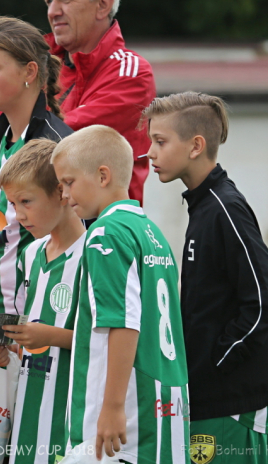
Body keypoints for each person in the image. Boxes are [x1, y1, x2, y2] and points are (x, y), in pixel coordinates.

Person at [0, 0, 156, 288]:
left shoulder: (130, 72)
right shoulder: (37, 62)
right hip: (4, 254)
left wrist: (27, 117)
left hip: (89, 258)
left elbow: (51, 148)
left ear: (103, 4)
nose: (52, 10)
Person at [145, 92, 268, 463]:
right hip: (209, 399)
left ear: (196, 146)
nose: (149, 153)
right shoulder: (202, 206)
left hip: (234, 404)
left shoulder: (225, 208)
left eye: (160, 141)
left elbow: (264, 304)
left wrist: (216, 364)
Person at [52, 126, 189, 463]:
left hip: (121, 420)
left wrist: (112, 408)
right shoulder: (149, 230)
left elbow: (124, 323)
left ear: (102, 176)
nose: (65, 195)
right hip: (165, 410)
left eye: (69, 182)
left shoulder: (105, 234)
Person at [0, 16, 73, 318]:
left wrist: (28, 328)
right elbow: (0, 233)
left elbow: (73, 241)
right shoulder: (1, 137)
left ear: (29, 71)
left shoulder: (56, 147)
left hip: (35, 322)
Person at [0, 139, 86, 464]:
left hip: (70, 421)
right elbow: (37, 336)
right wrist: (12, 348)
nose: (18, 215)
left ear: (62, 193)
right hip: (28, 416)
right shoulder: (31, 253)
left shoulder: (93, 254)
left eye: (26, 201)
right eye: (13, 204)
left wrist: (48, 337)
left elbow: (112, 340)